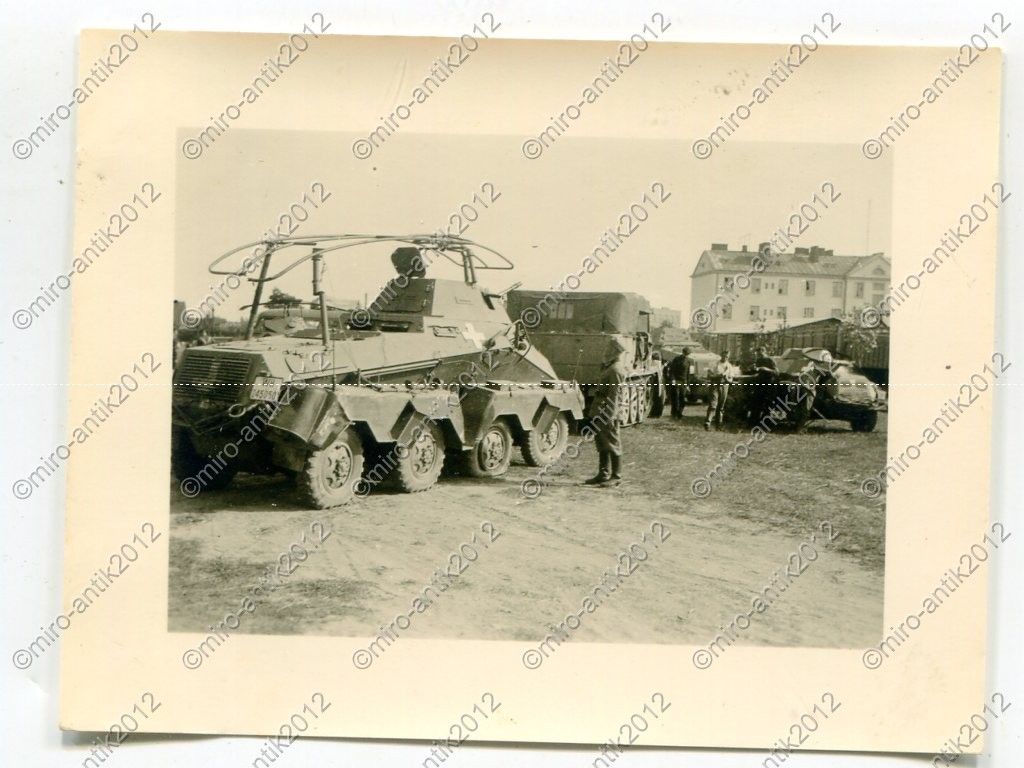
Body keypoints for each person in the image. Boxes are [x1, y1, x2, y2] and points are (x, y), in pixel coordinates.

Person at [585, 339, 628, 487]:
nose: (605, 352)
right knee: (602, 443)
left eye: (609, 350)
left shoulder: (616, 370)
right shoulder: (610, 368)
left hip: (608, 412)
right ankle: (603, 474)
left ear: (614, 352)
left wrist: (609, 415)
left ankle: (616, 476)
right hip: (600, 409)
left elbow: (614, 395)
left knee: (613, 443)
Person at [704, 349, 734, 430]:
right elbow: (709, 375)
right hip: (715, 385)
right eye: (724, 356)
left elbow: (731, 379)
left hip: (724, 385)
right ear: (721, 355)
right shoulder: (714, 364)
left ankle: (719, 425)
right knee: (713, 404)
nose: (725, 358)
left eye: (727, 356)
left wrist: (726, 378)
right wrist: (718, 376)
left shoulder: (729, 366)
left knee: (721, 406)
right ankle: (707, 422)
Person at [750, 345, 779, 423]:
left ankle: (766, 420)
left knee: (768, 402)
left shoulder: (770, 360)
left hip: (769, 384)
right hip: (760, 383)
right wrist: (754, 369)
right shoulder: (759, 360)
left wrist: (765, 369)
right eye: (758, 353)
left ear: (764, 351)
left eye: (760, 353)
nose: (759, 355)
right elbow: (757, 371)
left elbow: (776, 372)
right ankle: (754, 420)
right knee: (757, 401)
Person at [667, 347, 692, 418]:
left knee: (682, 398)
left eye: (687, 354)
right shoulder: (676, 359)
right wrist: (673, 379)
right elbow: (672, 370)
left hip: (683, 382)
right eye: (685, 353)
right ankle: (674, 413)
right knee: (676, 398)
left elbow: (688, 374)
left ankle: (680, 412)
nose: (686, 355)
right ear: (683, 352)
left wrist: (687, 385)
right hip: (676, 381)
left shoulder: (688, 361)